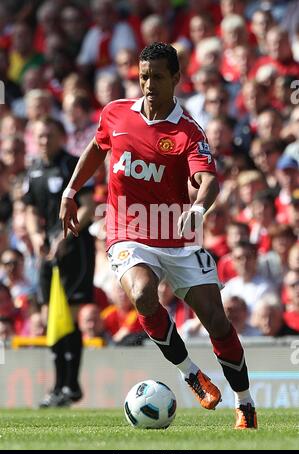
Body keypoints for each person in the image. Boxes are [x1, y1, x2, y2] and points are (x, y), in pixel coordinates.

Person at [59, 43, 257, 429]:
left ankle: (245, 403)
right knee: (143, 293)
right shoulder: (115, 113)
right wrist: (70, 191)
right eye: (144, 76)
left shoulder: (187, 131)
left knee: (216, 320)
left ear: (176, 79)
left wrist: (198, 208)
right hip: (126, 231)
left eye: (158, 77)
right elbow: (96, 149)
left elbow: (208, 181)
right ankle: (189, 373)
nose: (149, 85)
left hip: (176, 235)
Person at [23, 117, 95, 407]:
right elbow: (28, 210)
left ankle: (71, 384)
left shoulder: (72, 165)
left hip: (74, 251)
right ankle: (58, 386)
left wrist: (67, 236)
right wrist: (36, 234)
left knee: (70, 313)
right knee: (48, 315)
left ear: (61, 137)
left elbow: (89, 205)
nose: (44, 141)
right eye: (39, 136)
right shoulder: (34, 170)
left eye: (49, 135)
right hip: (48, 251)